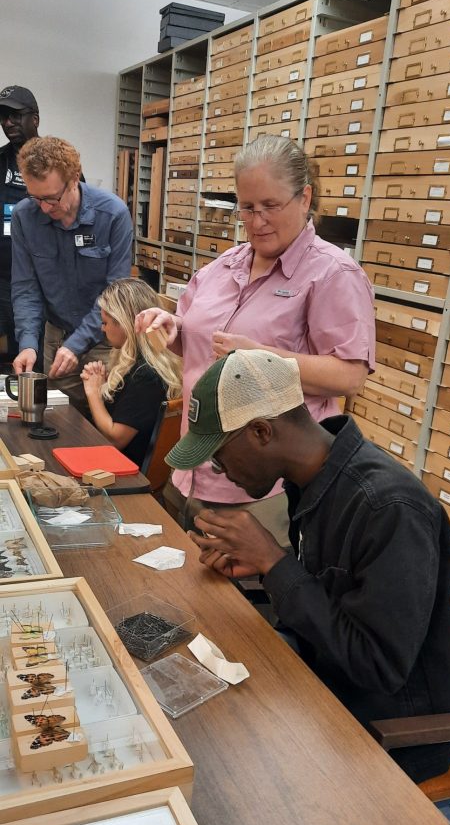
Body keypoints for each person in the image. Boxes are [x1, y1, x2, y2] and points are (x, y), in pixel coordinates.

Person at [165, 348, 450, 783]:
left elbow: (378, 668)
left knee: (218, 775)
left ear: (261, 431)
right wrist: (265, 570)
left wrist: (274, 561)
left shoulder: (388, 507)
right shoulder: (314, 481)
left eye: (219, 454)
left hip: (386, 735)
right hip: (319, 689)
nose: (219, 470)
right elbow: (332, 602)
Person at [135, 134, 375, 541]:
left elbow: (349, 376)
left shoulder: (332, 274)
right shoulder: (223, 267)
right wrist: (173, 329)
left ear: (304, 198)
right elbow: (200, 345)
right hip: (192, 470)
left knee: (242, 602)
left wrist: (261, 355)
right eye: (247, 207)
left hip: (261, 488)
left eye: (270, 206)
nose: (257, 220)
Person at [11, 136, 133, 411]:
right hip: (57, 338)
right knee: (60, 423)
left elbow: (115, 293)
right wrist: (28, 344)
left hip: (106, 341)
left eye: (52, 198)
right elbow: (25, 288)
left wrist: (77, 343)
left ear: (74, 177)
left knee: (103, 425)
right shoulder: (24, 217)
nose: (44, 207)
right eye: (36, 197)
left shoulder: (113, 215)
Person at [80, 278, 182, 467]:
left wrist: (93, 393)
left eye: (105, 322)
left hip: (121, 469)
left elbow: (115, 440)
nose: (102, 329)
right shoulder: (137, 363)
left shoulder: (146, 375)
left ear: (123, 323)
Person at [0, 86, 39, 358]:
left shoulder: (55, 161)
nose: (7, 122)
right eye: (3, 116)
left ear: (34, 119)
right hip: (1, 277)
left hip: (36, 281)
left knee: (25, 353)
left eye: (15, 115)